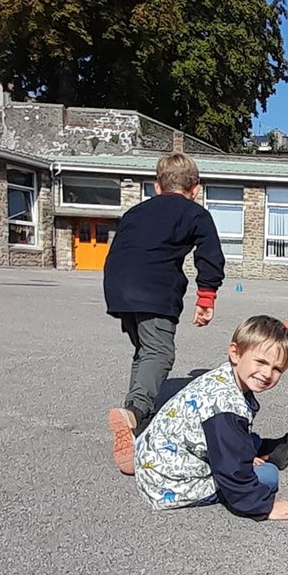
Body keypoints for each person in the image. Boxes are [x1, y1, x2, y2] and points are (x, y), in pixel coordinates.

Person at [104, 153, 226, 476]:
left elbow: (121, 248)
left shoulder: (135, 211)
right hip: (154, 288)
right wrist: (207, 296)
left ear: (157, 187)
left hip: (118, 285)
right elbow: (210, 254)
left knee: (145, 350)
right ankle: (133, 413)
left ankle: (136, 420)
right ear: (195, 189)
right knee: (160, 352)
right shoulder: (195, 213)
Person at [129, 316, 288, 521]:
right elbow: (232, 471)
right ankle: (260, 453)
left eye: (277, 369)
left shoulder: (222, 377)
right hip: (168, 484)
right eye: (261, 362)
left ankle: (254, 449)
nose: (267, 373)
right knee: (268, 476)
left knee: (238, 443)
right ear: (235, 353)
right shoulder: (226, 408)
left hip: (152, 459)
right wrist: (263, 507)